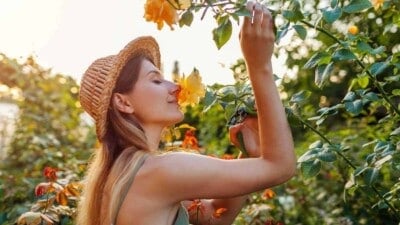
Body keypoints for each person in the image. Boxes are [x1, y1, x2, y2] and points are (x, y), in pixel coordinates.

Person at [77, 1, 296, 225]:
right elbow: (280, 167)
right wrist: (259, 66)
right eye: (156, 80)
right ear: (123, 102)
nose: (175, 87)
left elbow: (214, 216)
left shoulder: (119, 178)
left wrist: (248, 153)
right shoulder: (161, 172)